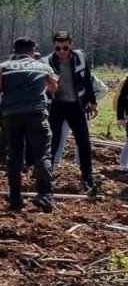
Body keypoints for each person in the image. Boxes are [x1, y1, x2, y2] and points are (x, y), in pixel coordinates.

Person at [0, 37, 58, 212]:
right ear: (32, 50)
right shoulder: (43, 66)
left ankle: (15, 198)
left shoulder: (2, 67)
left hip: (12, 115)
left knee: (15, 156)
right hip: (36, 113)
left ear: (14, 51)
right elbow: (55, 87)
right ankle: (45, 196)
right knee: (43, 155)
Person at [45, 31, 98, 193]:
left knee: (83, 141)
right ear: (54, 45)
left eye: (65, 47)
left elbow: (87, 79)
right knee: (52, 141)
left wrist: (92, 101)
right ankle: (47, 175)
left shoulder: (81, 57)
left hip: (76, 105)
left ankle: (87, 176)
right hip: (57, 105)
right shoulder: (47, 61)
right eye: (58, 48)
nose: (61, 51)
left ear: (71, 44)